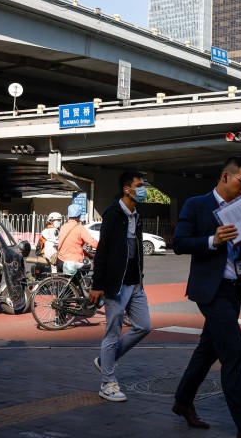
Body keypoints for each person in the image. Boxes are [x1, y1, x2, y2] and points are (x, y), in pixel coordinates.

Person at [172, 155, 241, 438]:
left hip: (234, 289)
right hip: (210, 291)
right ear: (225, 177)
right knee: (234, 352)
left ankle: (182, 401)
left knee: (208, 350)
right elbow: (179, 242)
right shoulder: (197, 205)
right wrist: (212, 240)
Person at [88, 170, 153, 402]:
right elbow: (103, 250)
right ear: (127, 189)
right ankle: (107, 383)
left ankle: (106, 360)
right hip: (115, 285)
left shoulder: (138, 214)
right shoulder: (114, 214)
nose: (143, 189)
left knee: (144, 326)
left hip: (135, 283)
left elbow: (134, 252)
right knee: (112, 332)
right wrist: (97, 284)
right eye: (139, 185)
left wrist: (140, 280)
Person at [56, 202, 98, 274]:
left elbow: (73, 246)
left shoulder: (63, 227)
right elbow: (92, 243)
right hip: (72, 262)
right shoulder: (80, 228)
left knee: (66, 283)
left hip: (60, 261)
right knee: (88, 265)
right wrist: (105, 248)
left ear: (68, 215)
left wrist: (89, 255)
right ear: (79, 216)